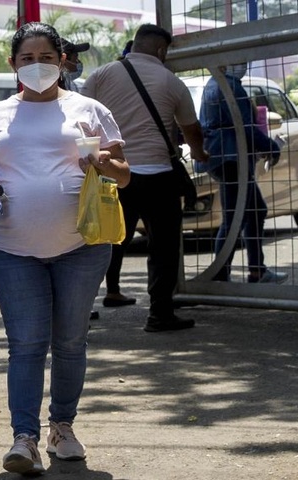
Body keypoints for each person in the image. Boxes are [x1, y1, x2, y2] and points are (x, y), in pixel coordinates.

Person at [0, 22, 129, 475]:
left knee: (71, 341)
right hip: (14, 249)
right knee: (26, 344)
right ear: (13, 64)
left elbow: (124, 174)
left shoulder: (89, 109)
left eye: (46, 58)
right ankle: (25, 439)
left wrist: (101, 161)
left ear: (63, 62)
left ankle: (62, 427)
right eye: (26, 59)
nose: (36, 66)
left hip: (82, 247)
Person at [82, 24, 209, 332]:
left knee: (106, 240)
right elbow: (191, 129)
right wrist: (200, 153)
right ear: (162, 51)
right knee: (163, 247)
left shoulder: (101, 75)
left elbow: (81, 118)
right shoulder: (172, 81)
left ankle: (81, 309)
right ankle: (160, 313)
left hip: (114, 173)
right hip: (158, 176)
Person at [198, 62, 286, 284]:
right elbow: (244, 127)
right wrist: (270, 146)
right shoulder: (229, 86)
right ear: (225, 64)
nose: (243, 66)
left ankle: (257, 270)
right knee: (233, 218)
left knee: (255, 210)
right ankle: (220, 273)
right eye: (239, 62)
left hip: (226, 157)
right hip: (231, 159)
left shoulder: (215, 84)